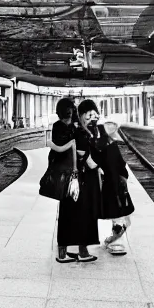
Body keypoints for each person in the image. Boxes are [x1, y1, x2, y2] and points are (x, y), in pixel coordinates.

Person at [48, 98, 98, 263]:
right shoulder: (76, 129)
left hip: (64, 178)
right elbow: (82, 152)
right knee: (83, 214)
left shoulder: (57, 127)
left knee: (66, 214)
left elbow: (57, 149)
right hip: (77, 177)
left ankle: (63, 252)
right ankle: (82, 252)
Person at [64, 98, 104, 262]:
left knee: (80, 214)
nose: (92, 119)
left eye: (95, 116)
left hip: (82, 179)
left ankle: (74, 248)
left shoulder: (85, 130)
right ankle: (83, 250)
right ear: (80, 115)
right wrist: (97, 167)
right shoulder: (80, 132)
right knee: (85, 214)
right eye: (88, 116)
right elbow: (84, 156)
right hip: (83, 179)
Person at [94, 121, 134, 255]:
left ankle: (114, 240)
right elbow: (120, 166)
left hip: (109, 186)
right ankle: (117, 242)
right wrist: (124, 177)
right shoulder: (111, 147)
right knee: (121, 214)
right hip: (116, 187)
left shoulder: (100, 147)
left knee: (117, 214)